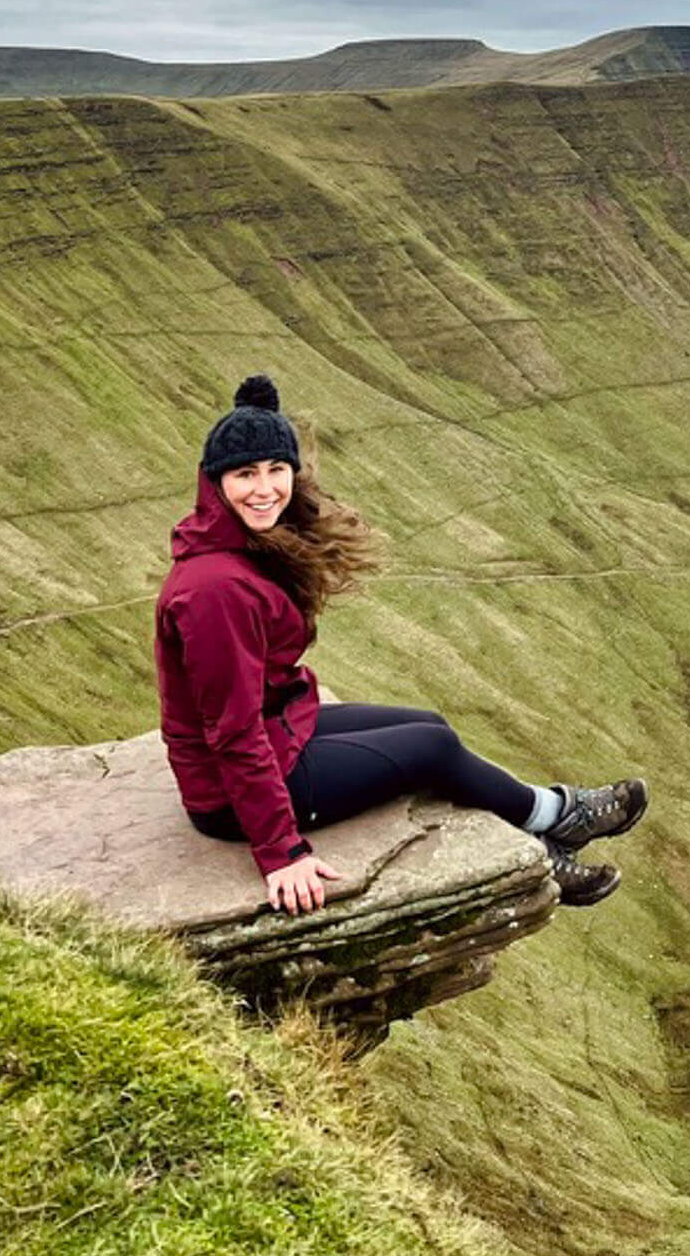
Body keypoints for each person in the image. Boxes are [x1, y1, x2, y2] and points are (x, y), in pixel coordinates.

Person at [155, 374, 647, 915]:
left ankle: (551, 826)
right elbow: (233, 731)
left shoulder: (237, 543)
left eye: (277, 469)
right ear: (214, 481)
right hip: (229, 791)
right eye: (246, 474)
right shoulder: (216, 589)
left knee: (431, 726)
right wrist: (280, 852)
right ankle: (552, 829)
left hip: (282, 728)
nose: (266, 488)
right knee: (430, 753)